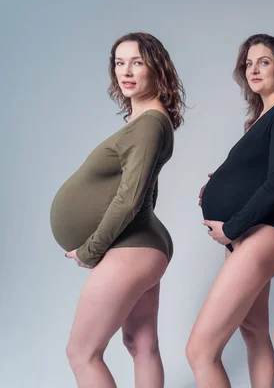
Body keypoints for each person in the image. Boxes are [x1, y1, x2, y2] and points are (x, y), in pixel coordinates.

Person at [50, 32, 186, 387]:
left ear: (157, 69)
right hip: (140, 246)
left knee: (81, 353)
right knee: (141, 346)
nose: (126, 71)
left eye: (137, 62)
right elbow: (147, 192)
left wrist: (91, 249)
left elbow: (131, 198)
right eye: (119, 62)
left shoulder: (150, 124)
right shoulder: (145, 121)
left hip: (132, 249)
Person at [187, 33, 274, 388]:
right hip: (247, 237)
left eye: (264, 62)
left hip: (258, 234)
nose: (254, 69)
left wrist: (232, 226)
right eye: (249, 63)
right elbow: (257, 171)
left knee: (199, 351)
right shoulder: (264, 116)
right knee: (254, 332)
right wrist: (219, 182)